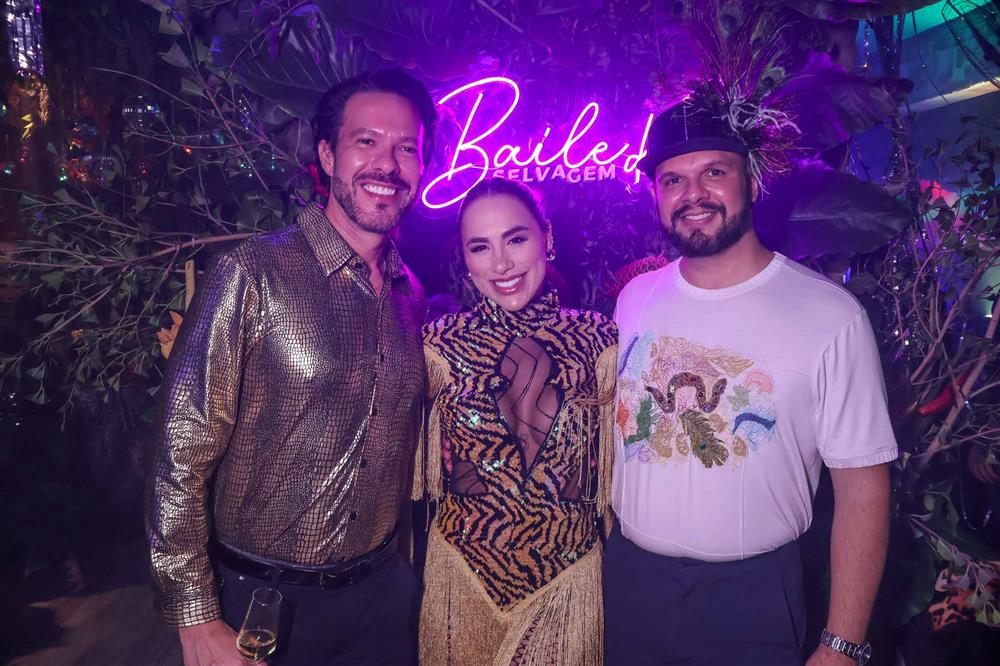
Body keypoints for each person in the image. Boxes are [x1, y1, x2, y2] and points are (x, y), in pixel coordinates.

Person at [146, 69, 436, 666]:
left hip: (382, 602)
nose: (387, 164)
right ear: (328, 155)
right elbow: (180, 447)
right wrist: (195, 614)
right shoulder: (252, 272)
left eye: (406, 148)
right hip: (259, 604)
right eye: (367, 141)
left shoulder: (412, 295)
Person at [605, 93, 898, 664]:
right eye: (672, 180)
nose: (693, 194)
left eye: (714, 172)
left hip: (752, 600)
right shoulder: (635, 298)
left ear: (753, 180)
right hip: (629, 586)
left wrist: (842, 645)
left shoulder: (830, 316)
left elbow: (864, 489)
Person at [414, 178, 617, 665]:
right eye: (480, 247)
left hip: (566, 584)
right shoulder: (437, 345)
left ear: (547, 236)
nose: (501, 264)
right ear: (465, 259)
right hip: (462, 578)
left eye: (516, 239)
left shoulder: (600, 341)